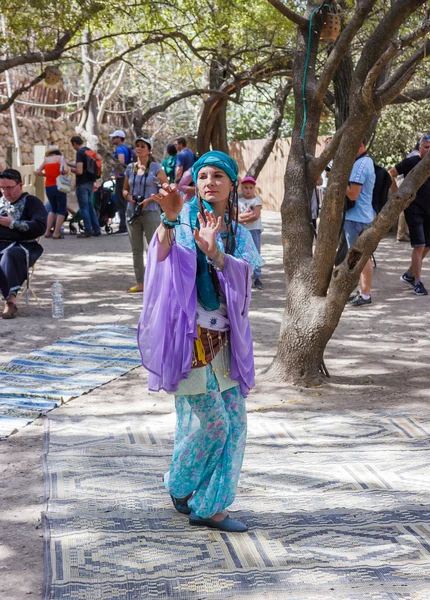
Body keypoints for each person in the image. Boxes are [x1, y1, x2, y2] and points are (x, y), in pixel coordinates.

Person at [137, 151, 263, 533]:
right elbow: (160, 259)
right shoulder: (182, 219)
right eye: (203, 175)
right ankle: (180, 486)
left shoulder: (237, 232)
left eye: (218, 176)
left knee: (236, 425)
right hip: (188, 341)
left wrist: (217, 253)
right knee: (214, 426)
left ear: (231, 183)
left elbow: (249, 275)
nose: (209, 181)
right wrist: (170, 220)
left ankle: (207, 504)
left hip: (224, 342)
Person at [122, 136, 168, 293]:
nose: (139, 148)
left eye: (143, 146)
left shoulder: (156, 168)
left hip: (151, 211)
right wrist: (129, 197)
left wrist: (150, 199)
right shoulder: (130, 168)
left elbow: (165, 189)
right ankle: (140, 283)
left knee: (153, 247)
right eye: (137, 146)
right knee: (136, 249)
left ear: (149, 150)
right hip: (132, 212)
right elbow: (124, 189)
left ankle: (155, 282)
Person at [0, 169, 47, 319]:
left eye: (9, 188)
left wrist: (12, 223)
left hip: (24, 245)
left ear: (20, 185)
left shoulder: (32, 202)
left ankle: (10, 302)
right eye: (2, 188)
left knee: (9, 255)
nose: (5, 192)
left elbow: (40, 227)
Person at [389, 134, 430, 296]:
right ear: (420, 148)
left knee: (427, 246)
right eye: (426, 147)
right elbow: (390, 173)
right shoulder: (411, 162)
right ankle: (418, 283)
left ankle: (409, 275)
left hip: (429, 210)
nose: (429, 150)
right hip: (414, 209)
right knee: (419, 245)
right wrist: (397, 194)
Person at [345, 139, 376, 306]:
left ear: (361, 144)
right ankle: (363, 292)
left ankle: (365, 295)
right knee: (362, 257)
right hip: (360, 217)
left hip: (357, 218)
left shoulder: (361, 164)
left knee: (361, 258)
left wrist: (337, 181)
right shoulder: (365, 162)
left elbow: (352, 194)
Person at [68, 136, 101, 239]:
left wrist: (72, 170)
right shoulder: (89, 151)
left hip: (82, 183)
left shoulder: (80, 153)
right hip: (91, 182)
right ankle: (97, 229)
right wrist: (69, 163)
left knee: (84, 207)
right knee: (90, 206)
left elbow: (79, 170)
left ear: (74, 143)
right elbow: (83, 166)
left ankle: (87, 230)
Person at [35, 145, 69, 239]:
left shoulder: (46, 160)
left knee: (53, 209)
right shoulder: (61, 158)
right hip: (59, 186)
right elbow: (66, 170)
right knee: (61, 210)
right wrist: (60, 172)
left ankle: (47, 232)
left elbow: (38, 172)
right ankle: (56, 233)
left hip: (48, 186)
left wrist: (47, 175)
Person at [238, 176, 264, 289]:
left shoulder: (256, 200)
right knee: (244, 252)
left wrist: (242, 219)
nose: (248, 190)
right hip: (243, 230)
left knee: (256, 251)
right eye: (245, 188)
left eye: (250, 188)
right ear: (242, 188)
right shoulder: (239, 201)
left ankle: (257, 277)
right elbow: (236, 215)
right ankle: (245, 275)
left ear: (254, 188)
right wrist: (241, 219)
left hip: (254, 229)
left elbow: (256, 216)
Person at [110, 129, 131, 234]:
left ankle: (124, 226)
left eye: (114, 137)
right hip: (126, 177)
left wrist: (117, 174)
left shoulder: (120, 149)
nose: (113, 139)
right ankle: (125, 225)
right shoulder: (125, 148)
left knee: (121, 202)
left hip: (122, 178)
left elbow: (121, 162)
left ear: (119, 138)